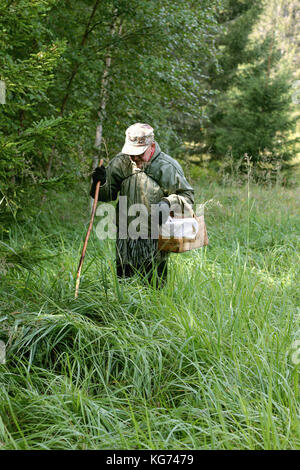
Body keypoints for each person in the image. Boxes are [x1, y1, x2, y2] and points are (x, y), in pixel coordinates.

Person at [90, 123, 194, 287]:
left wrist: (168, 204)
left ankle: (153, 312)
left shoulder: (167, 166)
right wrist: (100, 182)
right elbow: (106, 195)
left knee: (154, 286)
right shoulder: (121, 162)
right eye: (131, 153)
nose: (134, 158)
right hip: (125, 238)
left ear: (151, 146)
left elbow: (187, 197)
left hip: (156, 238)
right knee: (124, 285)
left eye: (139, 154)